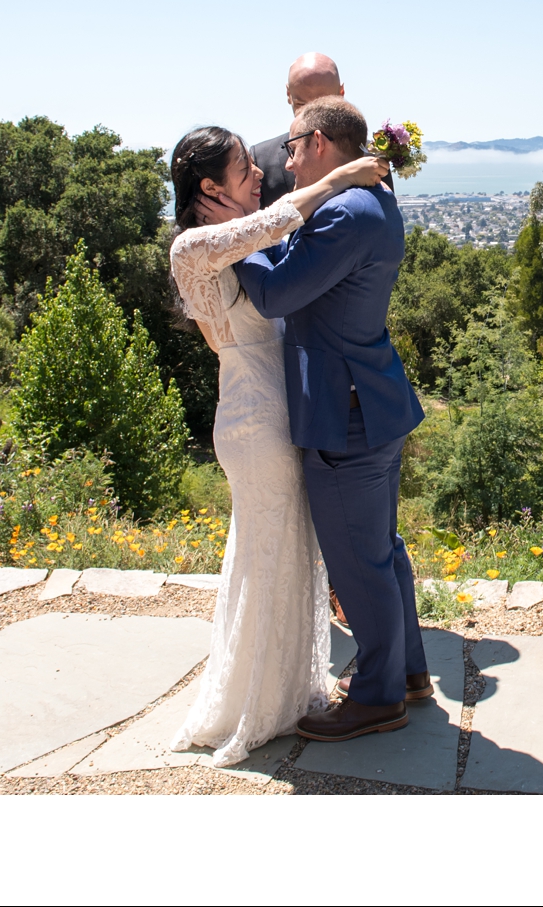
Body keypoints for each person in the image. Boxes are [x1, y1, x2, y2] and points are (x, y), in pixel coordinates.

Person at [164, 125, 391, 766]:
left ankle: (281, 689)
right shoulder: (194, 246)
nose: (259, 172)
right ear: (209, 187)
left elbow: (272, 232)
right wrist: (342, 177)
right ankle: (256, 704)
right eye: (243, 168)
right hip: (255, 420)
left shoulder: (245, 237)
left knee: (282, 556)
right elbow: (275, 224)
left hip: (275, 411)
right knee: (269, 558)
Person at [233, 95, 430, 742]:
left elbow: (275, 293)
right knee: (381, 553)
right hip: (369, 402)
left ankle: (377, 697)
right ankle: (406, 674)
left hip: (346, 415)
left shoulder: (343, 213)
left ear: (319, 143)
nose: (284, 157)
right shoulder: (365, 199)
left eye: (291, 145)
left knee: (358, 563)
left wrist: (240, 236)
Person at [249, 51, 344, 210]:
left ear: (341, 94)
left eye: (322, 105)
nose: (311, 117)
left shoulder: (370, 156)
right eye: (301, 105)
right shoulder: (262, 160)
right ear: (288, 94)